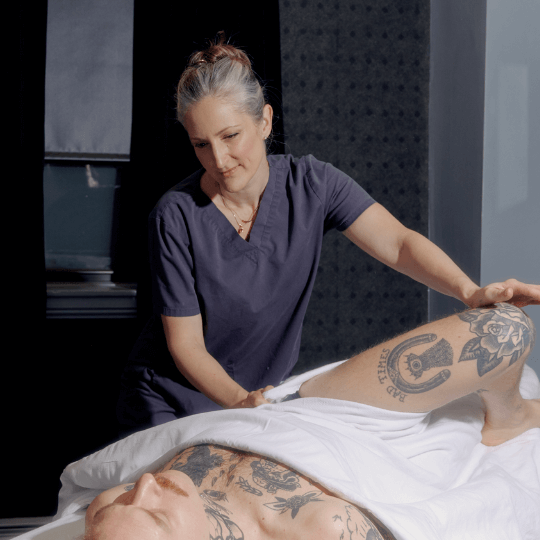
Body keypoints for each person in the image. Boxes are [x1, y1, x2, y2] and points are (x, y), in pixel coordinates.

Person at [116, 31, 540, 436]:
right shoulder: (174, 217)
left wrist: (468, 292)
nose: (219, 158)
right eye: (201, 144)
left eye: (230, 136)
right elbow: (186, 346)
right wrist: (242, 404)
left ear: (264, 121)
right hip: (172, 402)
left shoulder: (314, 184)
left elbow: (398, 243)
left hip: (258, 403)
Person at [90, 302, 538, 539]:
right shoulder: (321, 531)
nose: (145, 485)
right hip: (352, 434)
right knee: (508, 332)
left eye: (123, 500)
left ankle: (509, 410)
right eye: (158, 518)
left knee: (504, 330)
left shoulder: (121, 513)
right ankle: (511, 420)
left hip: (295, 410)